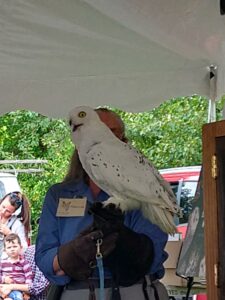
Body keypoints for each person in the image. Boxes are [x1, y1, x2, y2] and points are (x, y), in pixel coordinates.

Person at [35, 107, 169, 300]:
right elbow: (44, 257)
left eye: (112, 133)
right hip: (76, 291)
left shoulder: (147, 190)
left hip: (134, 291)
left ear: (124, 143)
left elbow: (151, 254)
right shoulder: (59, 194)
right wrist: (69, 255)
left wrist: (123, 241)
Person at [0, 233, 33, 300]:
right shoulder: (2, 263)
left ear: (20, 247)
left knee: (18, 297)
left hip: (17, 290)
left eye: (14, 246)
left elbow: (29, 278)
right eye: (9, 247)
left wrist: (27, 292)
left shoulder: (24, 263)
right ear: (5, 250)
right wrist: (4, 279)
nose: (12, 249)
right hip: (3, 288)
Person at [0, 192, 31, 259]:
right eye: (3, 206)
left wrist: (9, 234)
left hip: (5, 264)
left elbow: (24, 250)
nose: (3, 211)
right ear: (1, 201)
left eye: (8, 211)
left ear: (13, 212)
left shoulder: (16, 224)